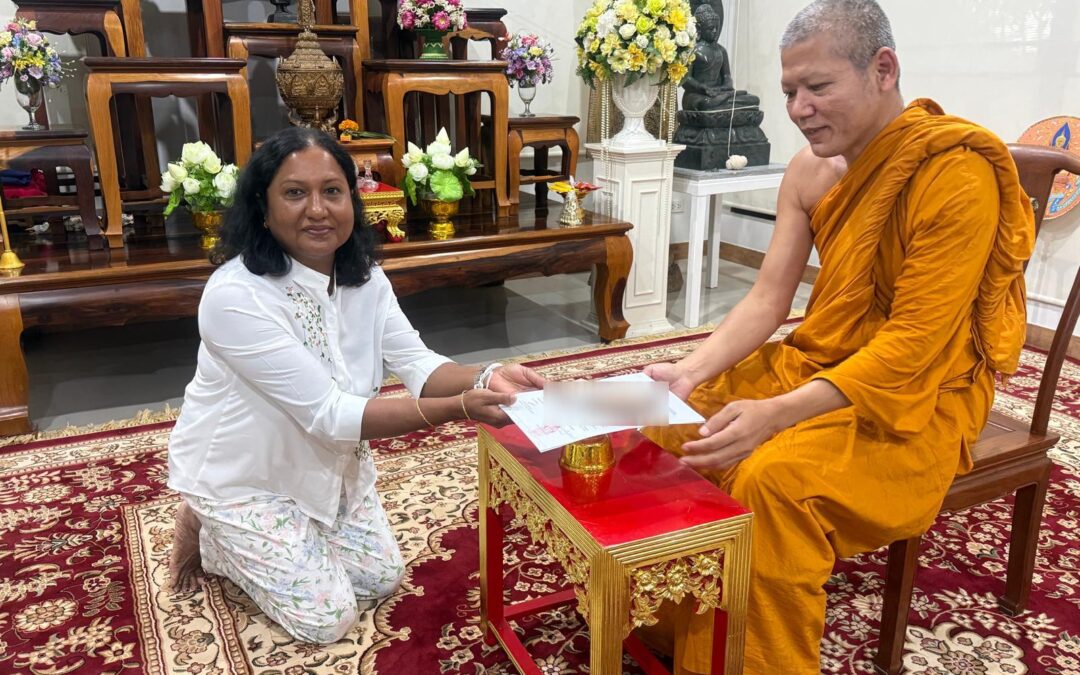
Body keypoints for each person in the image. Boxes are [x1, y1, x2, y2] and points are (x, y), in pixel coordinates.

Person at [638, 0, 1035, 672]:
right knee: (666, 427)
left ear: (883, 69)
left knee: (772, 478)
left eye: (818, 87)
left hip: (916, 402)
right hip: (820, 365)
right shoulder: (809, 172)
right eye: (791, 90)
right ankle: (678, 632)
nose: (798, 108)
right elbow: (767, 299)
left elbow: (912, 345)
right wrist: (689, 370)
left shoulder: (953, 173)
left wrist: (775, 415)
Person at [166, 127, 545, 645]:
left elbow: (418, 364)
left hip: (330, 464)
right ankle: (214, 535)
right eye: (295, 193)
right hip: (245, 476)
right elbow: (332, 415)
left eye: (332, 191)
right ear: (262, 205)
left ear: (353, 199)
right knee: (326, 619)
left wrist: (489, 377)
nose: (317, 209)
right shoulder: (235, 297)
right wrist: (460, 408)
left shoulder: (364, 275)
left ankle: (295, 537)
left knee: (380, 578)